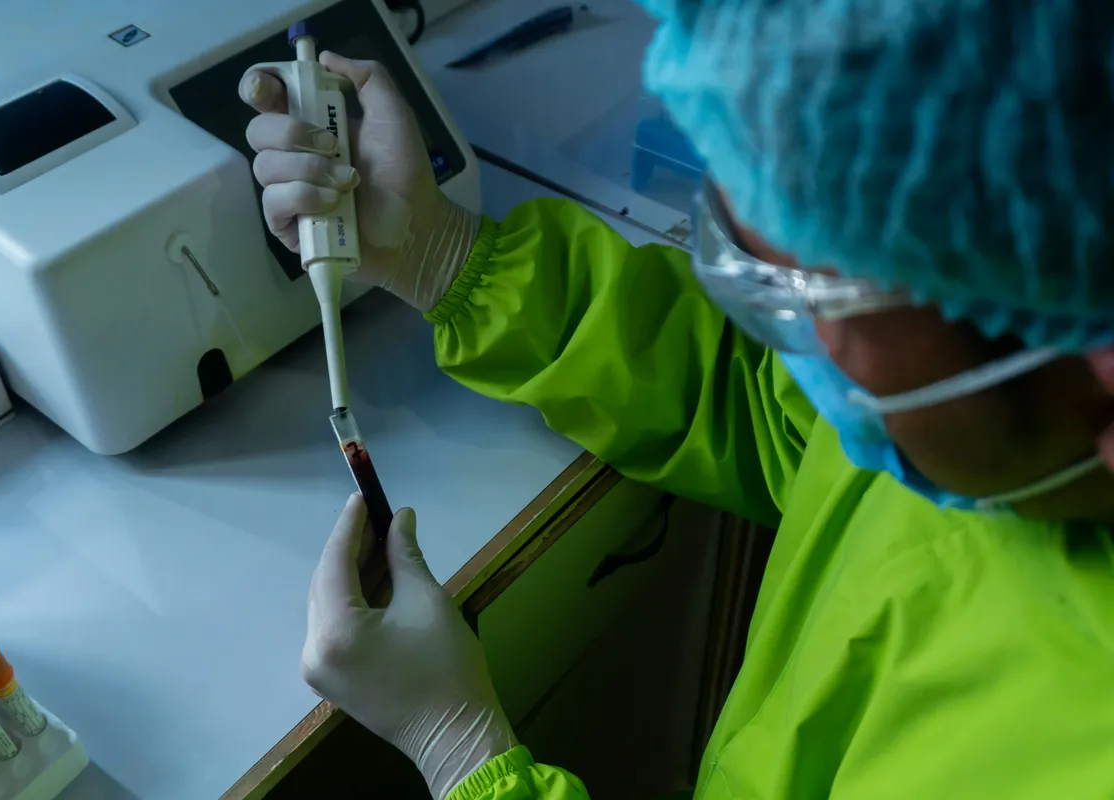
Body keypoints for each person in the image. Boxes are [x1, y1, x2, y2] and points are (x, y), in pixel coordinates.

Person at [239, 1, 1114, 797]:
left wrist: (467, 757)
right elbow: (778, 414)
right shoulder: (1003, 416)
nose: (786, 329)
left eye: (813, 294)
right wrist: (446, 258)